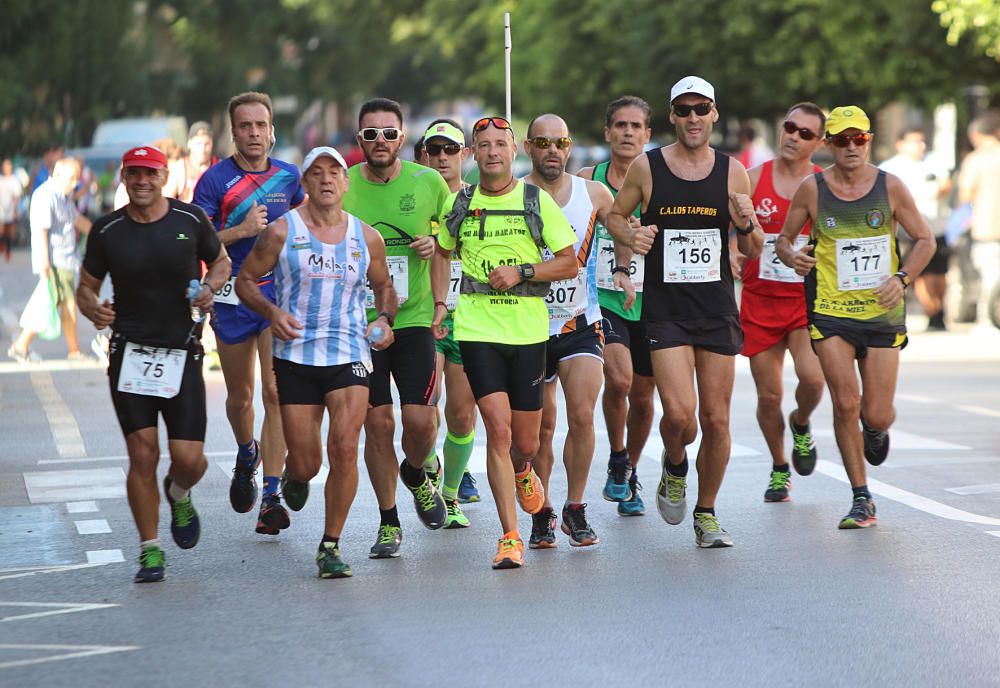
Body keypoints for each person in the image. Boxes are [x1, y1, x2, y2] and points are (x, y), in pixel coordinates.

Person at [606, 76, 762, 548]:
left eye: (702, 109)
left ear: (715, 114)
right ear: (672, 117)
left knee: (716, 420)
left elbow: (752, 247)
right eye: (684, 110)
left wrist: (746, 222)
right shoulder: (647, 168)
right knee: (679, 415)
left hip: (716, 309)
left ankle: (707, 512)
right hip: (667, 311)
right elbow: (615, 215)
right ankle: (675, 465)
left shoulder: (733, 172)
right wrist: (631, 237)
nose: (693, 118)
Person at [237, 146, 397, 578]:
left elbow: (384, 287)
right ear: (304, 184)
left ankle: (330, 544)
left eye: (334, 173)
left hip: (349, 353)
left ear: (346, 183)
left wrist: (384, 319)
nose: (326, 179)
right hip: (295, 356)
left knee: (345, 448)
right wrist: (272, 313)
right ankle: (294, 473)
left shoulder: (366, 238)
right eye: (316, 173)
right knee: (307, 462)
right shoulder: (280, 232)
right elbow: (245, 280)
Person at [77, 145, 231, 582]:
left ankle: (179, 492)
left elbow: (220, 261)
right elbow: (85, 287)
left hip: (181, 351)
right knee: (142, 455)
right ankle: (150, 549)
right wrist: (93, 309)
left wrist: (210, 285)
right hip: (130, 354)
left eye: (151, 173)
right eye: (135, 174)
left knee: (189, 459)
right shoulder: (107, 231)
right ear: (123, 179)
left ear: (164, 177)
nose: (143, 181)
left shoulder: (189, 220)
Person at [776, 106, 935, 529]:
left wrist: (901, 280)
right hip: (830, 311)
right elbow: (784, 241)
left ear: (869, 141)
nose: (851, 147)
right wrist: (793, 256)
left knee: (875, 413)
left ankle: (878, 429)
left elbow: (925, 240)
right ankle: (861, 497)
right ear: (828, 144)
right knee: (845, 402)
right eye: (842, 140)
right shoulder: (812, 189)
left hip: (882, 312)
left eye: (859, 139)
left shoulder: (891, 187)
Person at [432, 115, 578, 569]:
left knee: (526, 443)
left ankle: (522, 471)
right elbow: (441, 251)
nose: (492, 151)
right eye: (484, 144)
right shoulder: (461, 203)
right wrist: (442, 304)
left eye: (500, 143)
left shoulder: (535, 200)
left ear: (513, 151)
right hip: (477, 330)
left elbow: (570, 262)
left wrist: (523, 272)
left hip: (529, 332)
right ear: (472, 154)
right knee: (496, 429)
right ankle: (510, 536)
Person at [342, 98, 452, 557]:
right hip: (359, 324)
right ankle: (389, 522)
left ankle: (416, 470)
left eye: (389, 133)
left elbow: (454, 238)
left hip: (414, 319)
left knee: (421, 422)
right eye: (371, 133)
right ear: (359, 139)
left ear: (404, 139)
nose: (380, 141)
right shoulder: (342, 184)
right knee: (379, 421)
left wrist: (436, 244)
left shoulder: (428, 182)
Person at [192, 91, 305, 535]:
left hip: (277, 296)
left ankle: (272, 495)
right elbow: (197, 239)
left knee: (276, 394)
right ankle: (246, 453)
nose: (254, 133)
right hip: (231, 296)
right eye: (245, 126)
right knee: (240, 398)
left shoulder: (290, 178)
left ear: (272, 130)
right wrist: (240, 230)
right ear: (233, 132)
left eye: (261, 125)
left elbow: (310, 229)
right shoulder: (214, 181)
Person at [523, 114, 614, 548]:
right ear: (528, 147)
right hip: (527, 326)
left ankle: (574, 509)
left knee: (581, 414)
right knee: (540, 427)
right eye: (542, 142)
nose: (552, 150)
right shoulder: (513, 194)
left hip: (580, 320)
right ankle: (541, 511)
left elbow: (624, 227)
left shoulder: (593, 193)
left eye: (559, 142)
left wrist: (628, 263)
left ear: (570, 145)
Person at [736, 103, 826, 502]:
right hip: (761, 299)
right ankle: (778, 466)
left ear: (819, 143)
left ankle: (801, 422)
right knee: (768, 395)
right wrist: (732, 252)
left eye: (806, 133)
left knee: (813, 377)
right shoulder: (753, 180)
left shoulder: (824, 185)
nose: (794, 136)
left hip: (805, 301)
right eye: (790, 127)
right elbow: (729, 229)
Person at [578, 96, 655, 516]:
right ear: (607, 132)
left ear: (647, 134)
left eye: (636, 126)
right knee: (620, 379)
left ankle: (630, 469)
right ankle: (618, 453)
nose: (627, 133)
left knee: (643, 397)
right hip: (602, 297)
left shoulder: (659, 179)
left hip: (652, 300)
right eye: (620, 125)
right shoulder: (589, 180)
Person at [419, 119, 481, 524]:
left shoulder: (481, 199)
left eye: (450, 150)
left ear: (466, 154)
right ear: (424, 154)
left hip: (472, 319)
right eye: (434, 150)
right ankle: (429, 468)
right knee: (424, 408)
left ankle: (452, 493)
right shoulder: (416, 198)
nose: (442, 157)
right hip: (425, 317)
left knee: (461, 415)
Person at [9, 158, 92, 362]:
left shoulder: (64, 195)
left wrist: (100, 233)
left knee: (51, 304)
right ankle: (73, 351)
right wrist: (44, 261)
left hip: (65, 259)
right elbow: (41, 230)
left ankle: (22, 345)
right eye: (72, 179)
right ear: (59, 175)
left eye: (77, 179)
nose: (75, 184)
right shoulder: (46, 195)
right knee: (66, 304)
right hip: (55, 260)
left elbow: (77, 220)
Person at [879, 127, 952, 330]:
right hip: (908, 231)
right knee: (920, 273)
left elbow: (946, 185)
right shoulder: (891, 168)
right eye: (914, 141)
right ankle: (933, 314)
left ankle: (939, 311)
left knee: (940, 275)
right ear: (900, 144)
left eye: (922, 141)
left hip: (936, 227)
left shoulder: (933, 162)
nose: (920, 146)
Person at [958, 110, 1000, 328]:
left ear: (976, 136)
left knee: (990, 274)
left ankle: (989, 319)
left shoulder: (976, 160)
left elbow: (966, 194)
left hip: (987, 226)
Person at [165, 121, 217, 203]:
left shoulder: (220, 167)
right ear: (190, 144)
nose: (203, 149)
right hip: (186, 214)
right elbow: (166, 201)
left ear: (212, 144)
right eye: (199, 144)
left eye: (207, 144)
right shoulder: (179, 169)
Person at [0, 159, 23, 261]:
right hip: (1, 208)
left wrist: (15, 209)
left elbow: (17, 195)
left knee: (9, 231)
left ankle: (8, 250)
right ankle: (2, 246)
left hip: (10, 209)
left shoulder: (14, 180)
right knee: (1, 230)